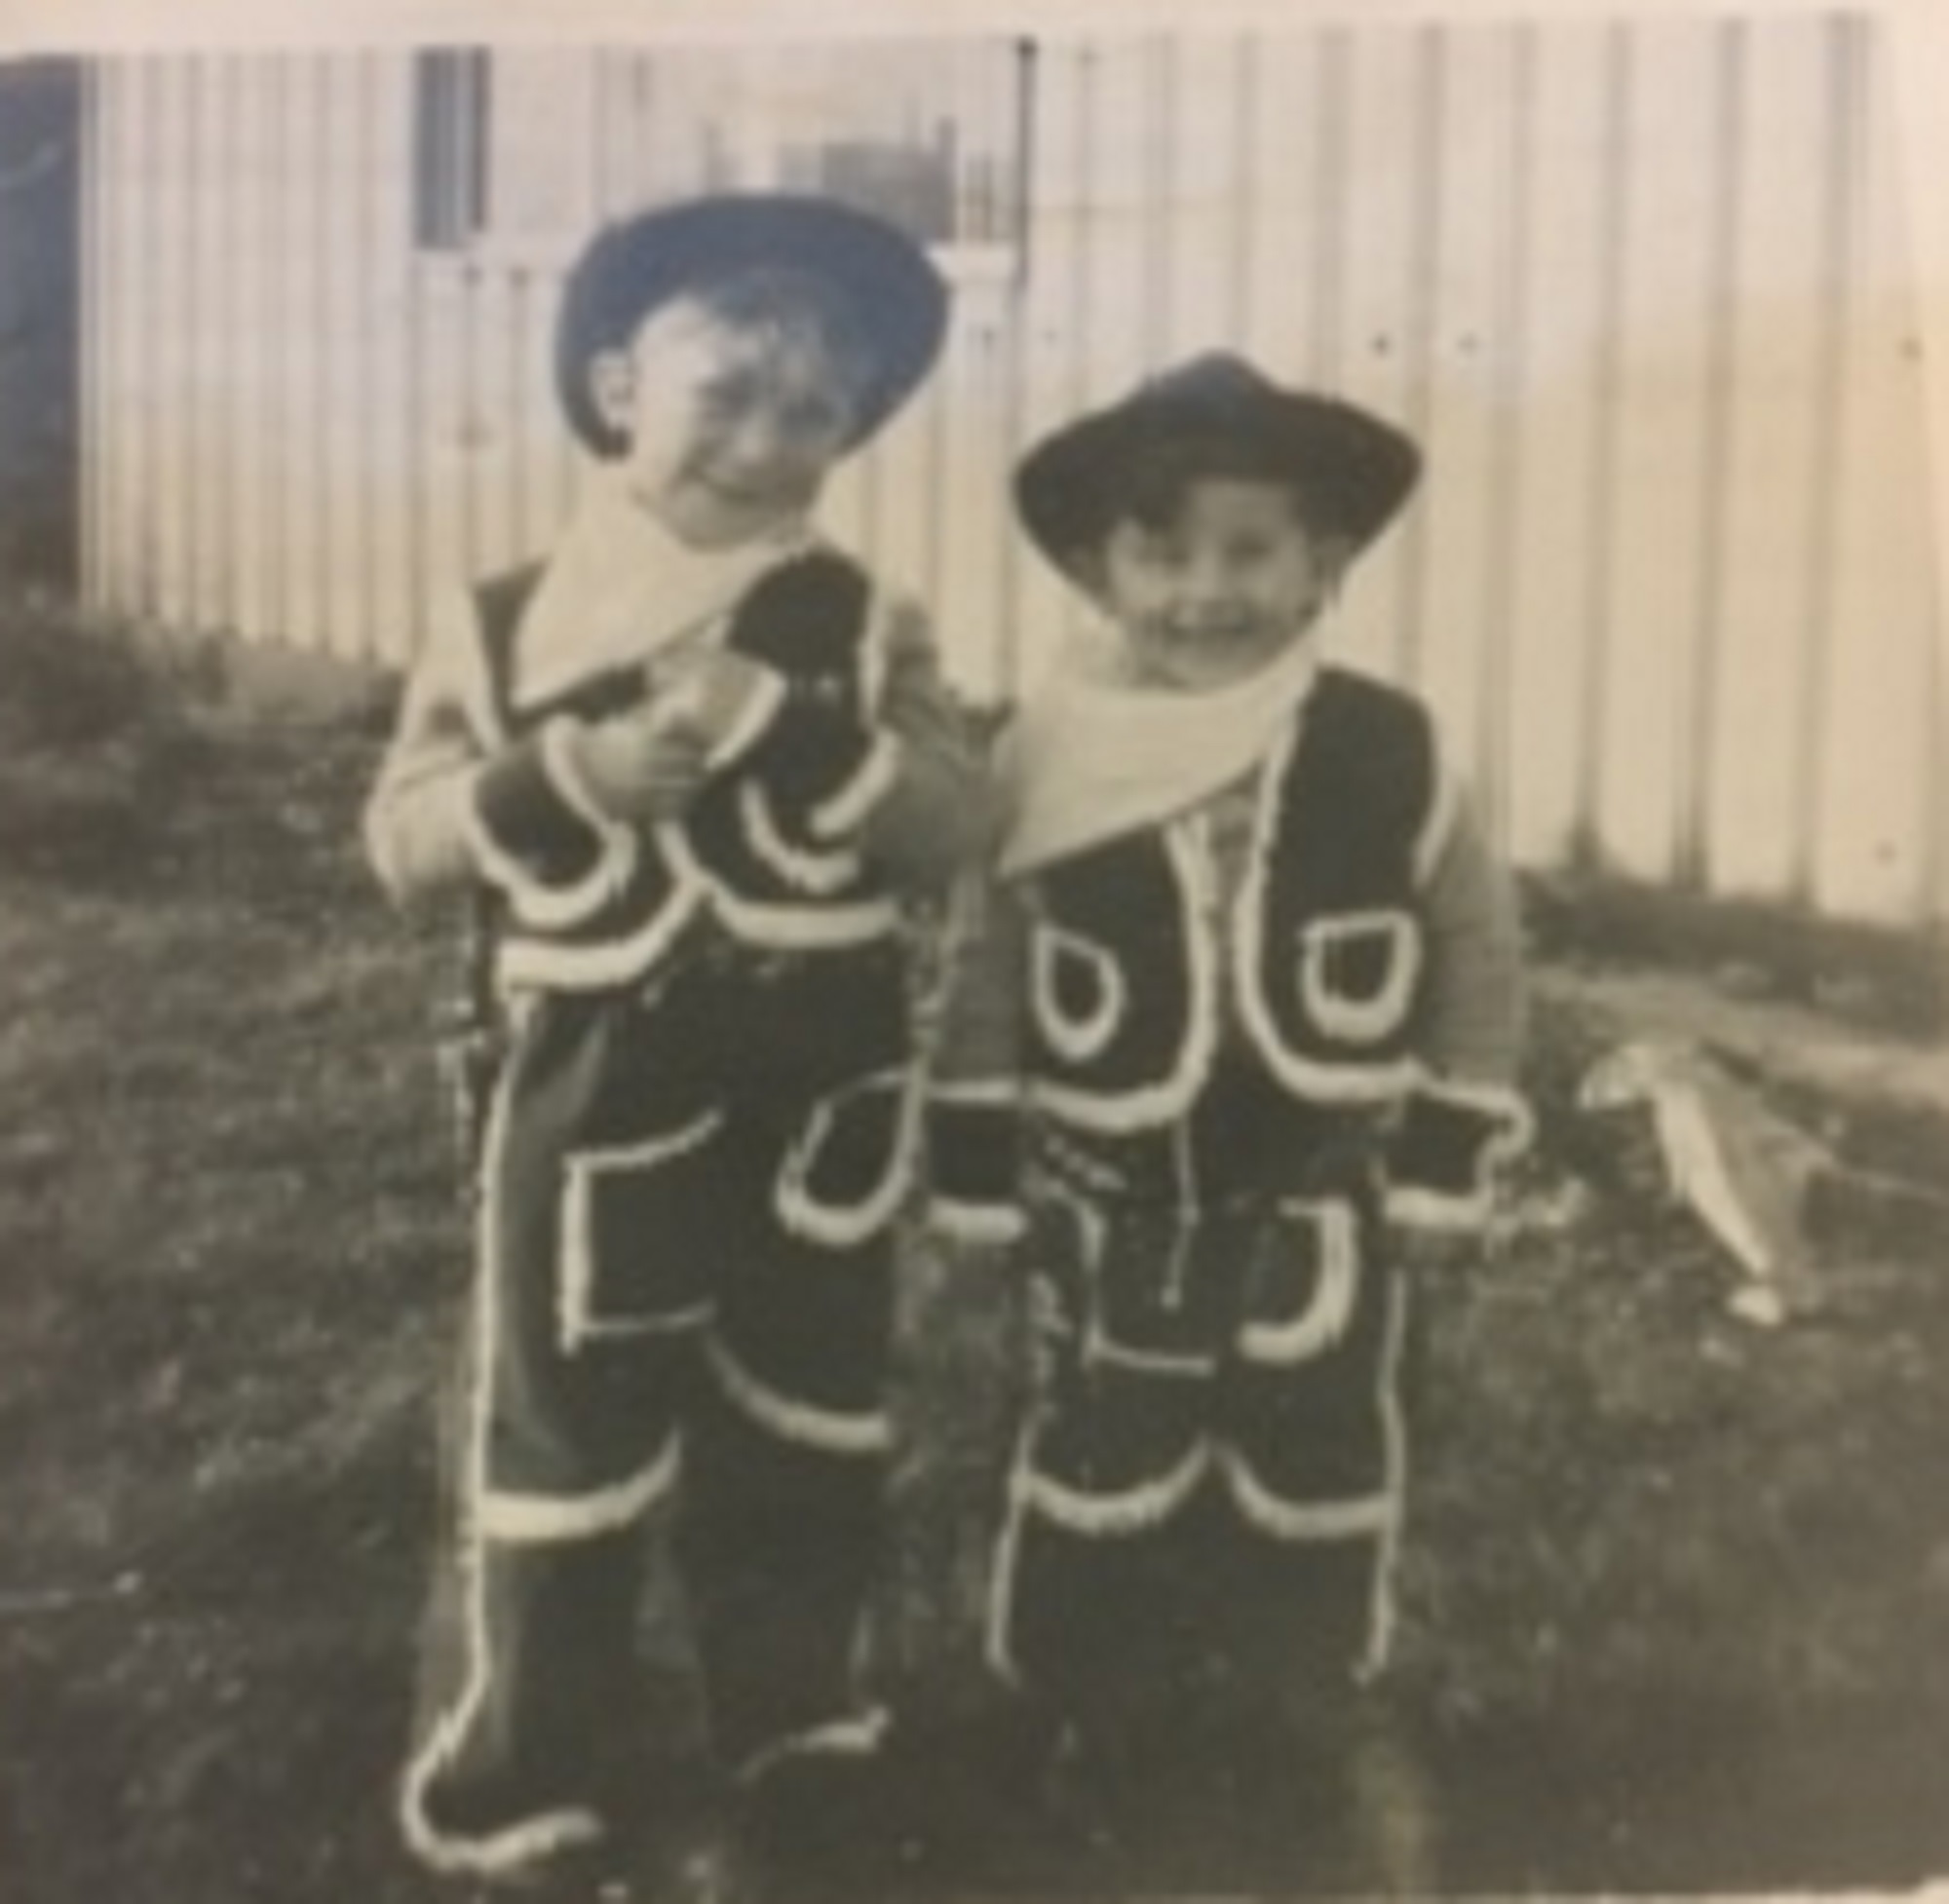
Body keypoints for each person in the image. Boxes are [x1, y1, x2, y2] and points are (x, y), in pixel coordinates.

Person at [363, 192, 989, 1890]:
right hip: (597, 1085)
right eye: (724, 395)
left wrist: (791, 730)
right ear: (619, 382)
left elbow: (948, 824)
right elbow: (402, 838)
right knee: (569, 1425)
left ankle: (796, 1734)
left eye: (811, 415)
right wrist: (551, 779)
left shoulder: (863, 619)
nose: (765, 442)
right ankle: (524, 1775)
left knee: (805, 1413)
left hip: (818, 1096)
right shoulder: (502, 619)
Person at [926, 351, 1532, 1886]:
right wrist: (979, 1167)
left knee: (1319, 1441)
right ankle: (1087, 1703)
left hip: (1319, 1195)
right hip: (1110, 1186)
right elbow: (988, 957)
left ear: (1324, 561)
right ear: (1096, 567)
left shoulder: (1388, 747)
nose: (1210, 591)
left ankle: (1299, 1702)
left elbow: (1477, 943)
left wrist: (1451, 1145)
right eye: (1164, 551)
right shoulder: (1048, 750)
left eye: (1253, 552)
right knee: (1096, 1439)